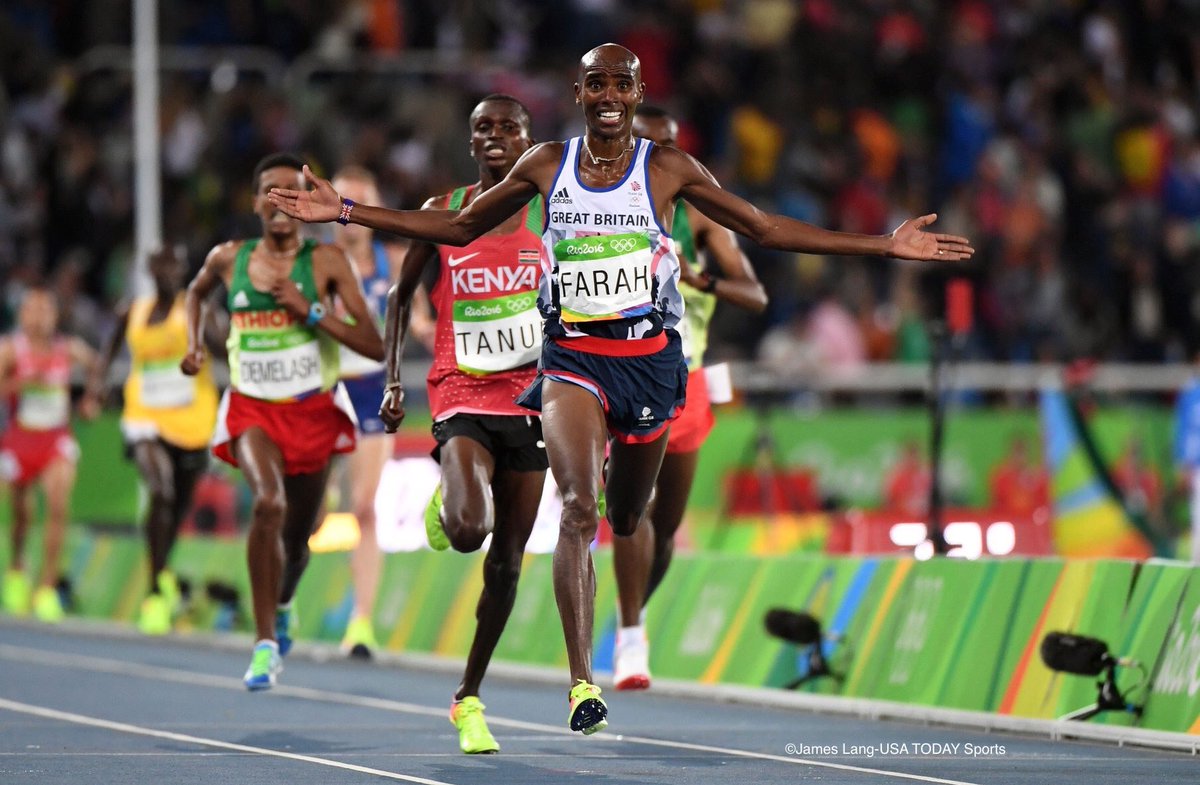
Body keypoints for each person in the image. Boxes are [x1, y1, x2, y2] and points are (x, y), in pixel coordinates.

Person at [268, 44, 973, 733]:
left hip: (650, 363)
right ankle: (583, 684)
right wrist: (348, 213)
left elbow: (763, 227)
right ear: (578, 95)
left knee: (628, 516)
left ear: (637, 94)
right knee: (578, 508)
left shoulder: (665, 168)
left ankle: (617, 557)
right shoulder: (547, 163)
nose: (608, 96)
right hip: (572, 357)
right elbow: (457, 225)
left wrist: (884, 245)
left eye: (621, 84)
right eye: (595, 84)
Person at [182, 152, 385, 690]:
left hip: (312, 412)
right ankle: (265, 643)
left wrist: (310, 311)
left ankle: (286, 601)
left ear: (306, 202)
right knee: (267, 504)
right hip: (252, 409)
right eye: (270, 191)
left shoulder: (326, 263)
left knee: (299, 540)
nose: (280, 202)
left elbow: (373, 343)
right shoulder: (228, 258)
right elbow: (195, 293)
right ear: (255, 202)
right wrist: (194, 346)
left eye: (292, 191)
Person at [382, 94, 547, 754]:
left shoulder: (551, 212)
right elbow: (399, 297)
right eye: (484, 127)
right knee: (470, 530)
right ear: (472, 141)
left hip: (532, 399)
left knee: (506, 564)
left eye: (510, 127)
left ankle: (468, 696)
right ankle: (450, 492)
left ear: (529, 141)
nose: (496, 135)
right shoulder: (443, 211)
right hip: (462, 390)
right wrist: (394, 378)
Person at [610, 105, 768, 691]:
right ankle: (631, 636)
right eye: (648, 145)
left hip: (688, 380)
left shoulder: (699, 217)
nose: (658, 158)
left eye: (669, 147)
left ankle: (631, 614)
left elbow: (755, 295)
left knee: (667, 526)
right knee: (631, 512)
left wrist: (700, 279)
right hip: (623, 374)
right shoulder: (599, 210)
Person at [89, 244, 222, 635]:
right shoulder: (133, 311)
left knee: (177, 505)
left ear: (183, 271)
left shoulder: (194, 309)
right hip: (144, 416)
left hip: (191, 419)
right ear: (150, 270)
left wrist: (207, 330)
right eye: (162, 266)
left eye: (175, 267)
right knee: (161, 490)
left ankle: (161, 572)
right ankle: (153, 590)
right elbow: (108, 350)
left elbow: (222, 346)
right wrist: (96, 386)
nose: (169, 273)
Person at [327, 166, 404, 659]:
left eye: (358, 204)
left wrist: (422, 326)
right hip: (322, 390)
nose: (349, 214)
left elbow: (418, 313)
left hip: (371, 389)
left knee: (364, 507)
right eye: (342, 203)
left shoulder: (392, 262)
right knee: (311, 513)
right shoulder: (315, 263)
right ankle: (284, 599)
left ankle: (361, 621)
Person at [0, 285, 101, 622]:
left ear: (56, 316)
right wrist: (22, 384)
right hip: (20, 438)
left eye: (46, 311)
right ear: (22, 315)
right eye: (33, 310)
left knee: (58, 506)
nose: (40, 318)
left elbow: (97, 365)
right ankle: (17, 569)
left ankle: (46, 587)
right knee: (22, 515)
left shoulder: (68, 348)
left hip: (55, 439)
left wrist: (90, 399)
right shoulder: (10, 350)